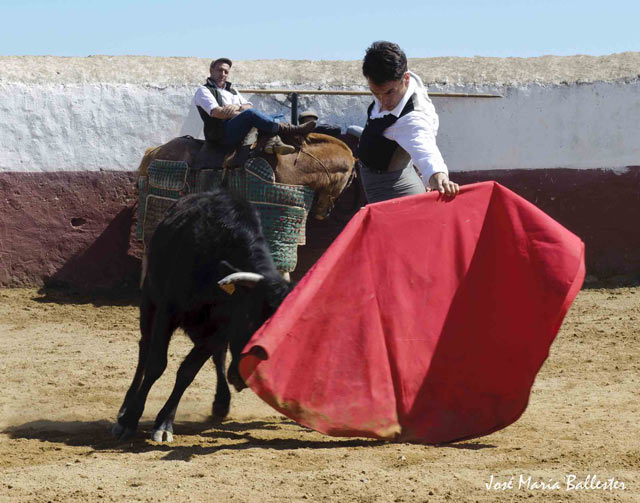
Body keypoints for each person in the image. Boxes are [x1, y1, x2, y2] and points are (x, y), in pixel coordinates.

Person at [356, 41, 459, 203]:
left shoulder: (413, 118)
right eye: (375, 93)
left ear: (406, 78)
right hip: (389, 177)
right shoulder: (395, 78)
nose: (383, 101)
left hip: (392, 189)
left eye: (390, 92)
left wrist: (438, 176)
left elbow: (426, 151)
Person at [194, 58, 316, 156]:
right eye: (219, 70)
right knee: (251, 114)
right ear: (211, 70)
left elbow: (248, 105)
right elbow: (216, 112)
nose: (223, 74)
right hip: (222, 133)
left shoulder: (233, 90)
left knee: (278, 115)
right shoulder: (204, 90)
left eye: (226, 72)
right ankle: (291, 129)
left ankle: (272, 141)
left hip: (240, 125)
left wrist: (235, 106)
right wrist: (244, 114)